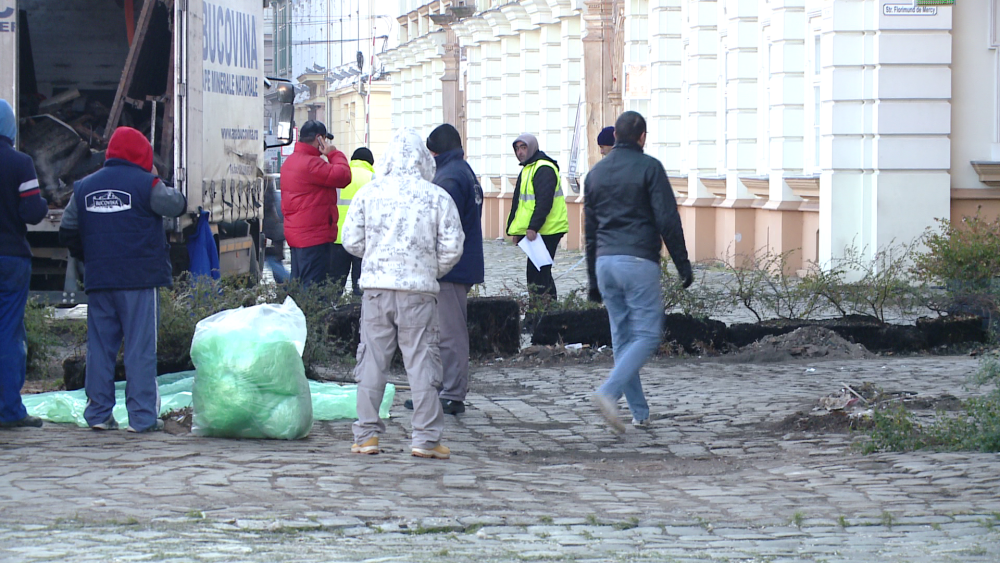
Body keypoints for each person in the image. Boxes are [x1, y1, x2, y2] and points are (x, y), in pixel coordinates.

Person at [342, 127, 464, 459]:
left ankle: (366, 435)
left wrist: (377, 258)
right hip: (419, 294)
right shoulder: (437, 196)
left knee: (371, 362)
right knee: (422, 363)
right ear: (424, 160)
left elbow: (351, 241)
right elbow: (453, 247)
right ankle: (425, 439)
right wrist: (429, 270)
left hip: (376, 292)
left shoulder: (369, 193)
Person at [59, 126, 187, 433]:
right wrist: (155, 176)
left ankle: (99, 414)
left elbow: (67, 228)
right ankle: (141, 418)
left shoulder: (84, 187)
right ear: (140, 154)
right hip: (139, 281)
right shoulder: (147, 184)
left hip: (100, 280)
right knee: (139, 349)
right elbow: (177, 205)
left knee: (100, 349)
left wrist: (89, 257)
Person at [584, 111, 693, 432]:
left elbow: (589, 232)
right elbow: (668, 220)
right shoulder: (650, 168)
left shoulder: (596, 174)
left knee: (623, 339)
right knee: (646, 334)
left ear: (615, 137)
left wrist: (592, 280)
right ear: (642, 137)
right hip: (637, 261)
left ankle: (640, 413)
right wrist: (682, 264)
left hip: (605, 263)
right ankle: (607, 392)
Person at [401, 124, 483, 416]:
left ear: (436, 151)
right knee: (441, 331)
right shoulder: (463, 171)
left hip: (450, 267)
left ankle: (452, 393)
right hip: (459, 263)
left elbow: (435, 225)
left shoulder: (447, 177)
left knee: (449, 333)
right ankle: (439, 390)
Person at [0, 99, 48, 429]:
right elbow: (32, 212)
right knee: (8, 333)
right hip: (11, 258)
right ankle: (10, 411)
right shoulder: (20, 163)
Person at [280, 120, 352, 285]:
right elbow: (343, 176)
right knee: (314, 290)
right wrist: (333, 154)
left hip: (298, 236)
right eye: (325, 139)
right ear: (319, 139)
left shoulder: (291, 161)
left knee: (301, 287)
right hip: (314, 237)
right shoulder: (311, 164)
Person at [505, 133, 568, 300]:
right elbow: (519, 204)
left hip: (548, 230)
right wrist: (517, 231)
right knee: (541, 275)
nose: (520, 152)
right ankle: (548, 313)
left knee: (538, 277)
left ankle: (541, 313)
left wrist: (533, 227)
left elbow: (544, 202)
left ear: (532, 147)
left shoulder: (543, 168)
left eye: (523, 147)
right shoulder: (528, 168)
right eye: (517, 149)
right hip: (538, 231)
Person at [331, 147, 375, 296]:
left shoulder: (339, 175)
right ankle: (358, 315)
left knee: (335, 285)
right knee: (360, 285)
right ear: (370, 162)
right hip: (362, 239)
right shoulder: (373, 178)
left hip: (337, 238)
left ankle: (331, 314)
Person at [262, 175, 289, 283]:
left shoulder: (265, 198)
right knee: (276, 261)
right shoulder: (273, 196)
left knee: (272, 261)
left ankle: (291, 283)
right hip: (277, 233)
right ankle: (285, 286)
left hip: (271, 235)